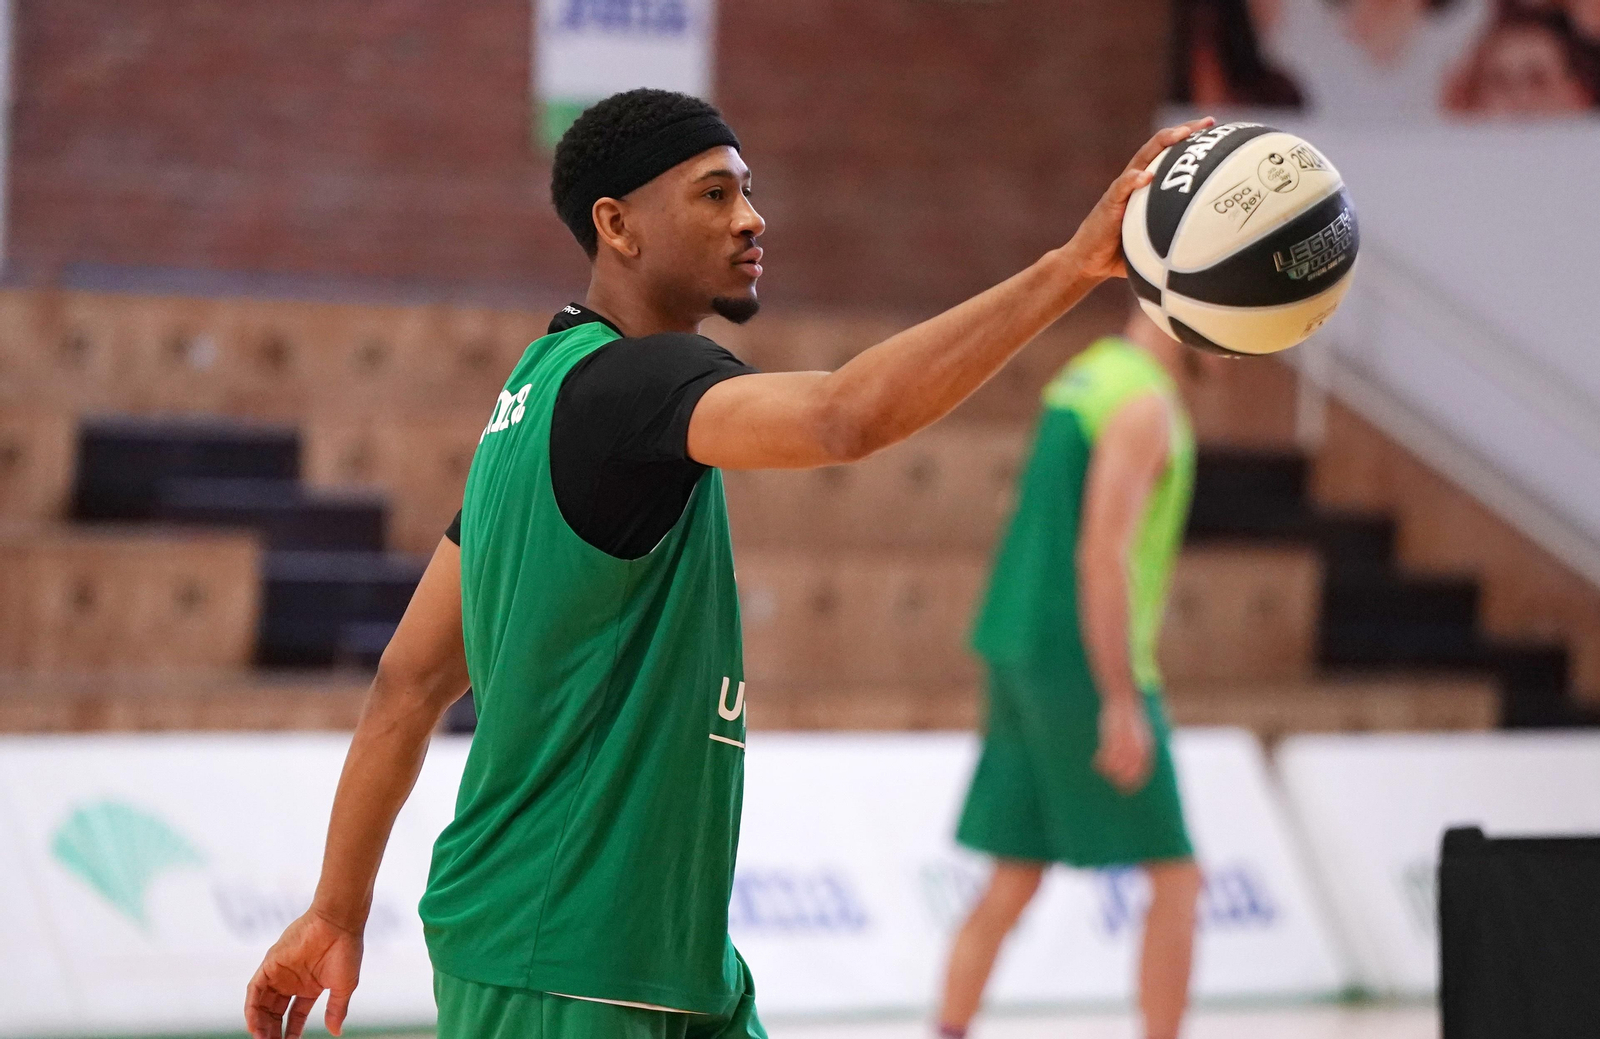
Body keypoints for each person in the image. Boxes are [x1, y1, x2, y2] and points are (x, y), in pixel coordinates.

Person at [241, 86, 1212, 1039]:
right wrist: (1072, 267)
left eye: (748, 189)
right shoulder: (631, 385)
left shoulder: (535, 400)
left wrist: (335, 911)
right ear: (617, 225)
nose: (752, 218)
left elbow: (408, 682)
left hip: (662, 960)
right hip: (560, 958)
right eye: (714, 193)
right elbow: (842, 417)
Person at [936, 309, 1216, 1039]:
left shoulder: (1086, 375)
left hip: (1014, 638)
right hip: (1081, 657)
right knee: (1178, 877)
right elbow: (1102, 552)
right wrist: (1119, 697)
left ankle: (948, 1028)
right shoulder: (1144, 403)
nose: (1238, 356)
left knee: (1014, 873)